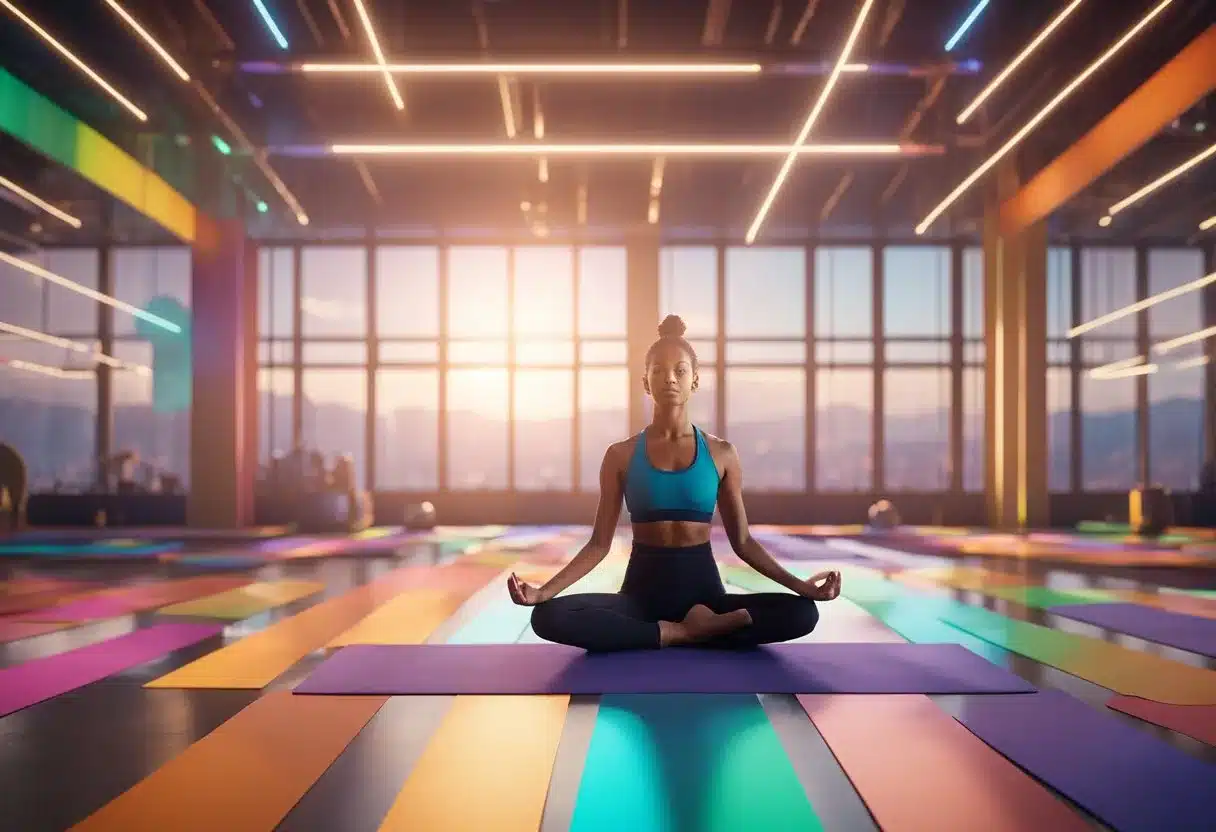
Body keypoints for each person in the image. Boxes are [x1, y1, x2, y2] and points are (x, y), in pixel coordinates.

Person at [508, 314, 840, 651]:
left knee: (802, 613)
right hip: (640, 599)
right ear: (645, 382)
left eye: (679, 371)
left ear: (694, 381)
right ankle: (686, 632)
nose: (669, 378)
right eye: (658, 371)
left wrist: (802, 587)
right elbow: (598, 544)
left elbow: (743, 541)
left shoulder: (722, 454)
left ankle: (671, 631)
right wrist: (544, 591)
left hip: (707, 598)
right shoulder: (620, 456)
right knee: (547, 617)